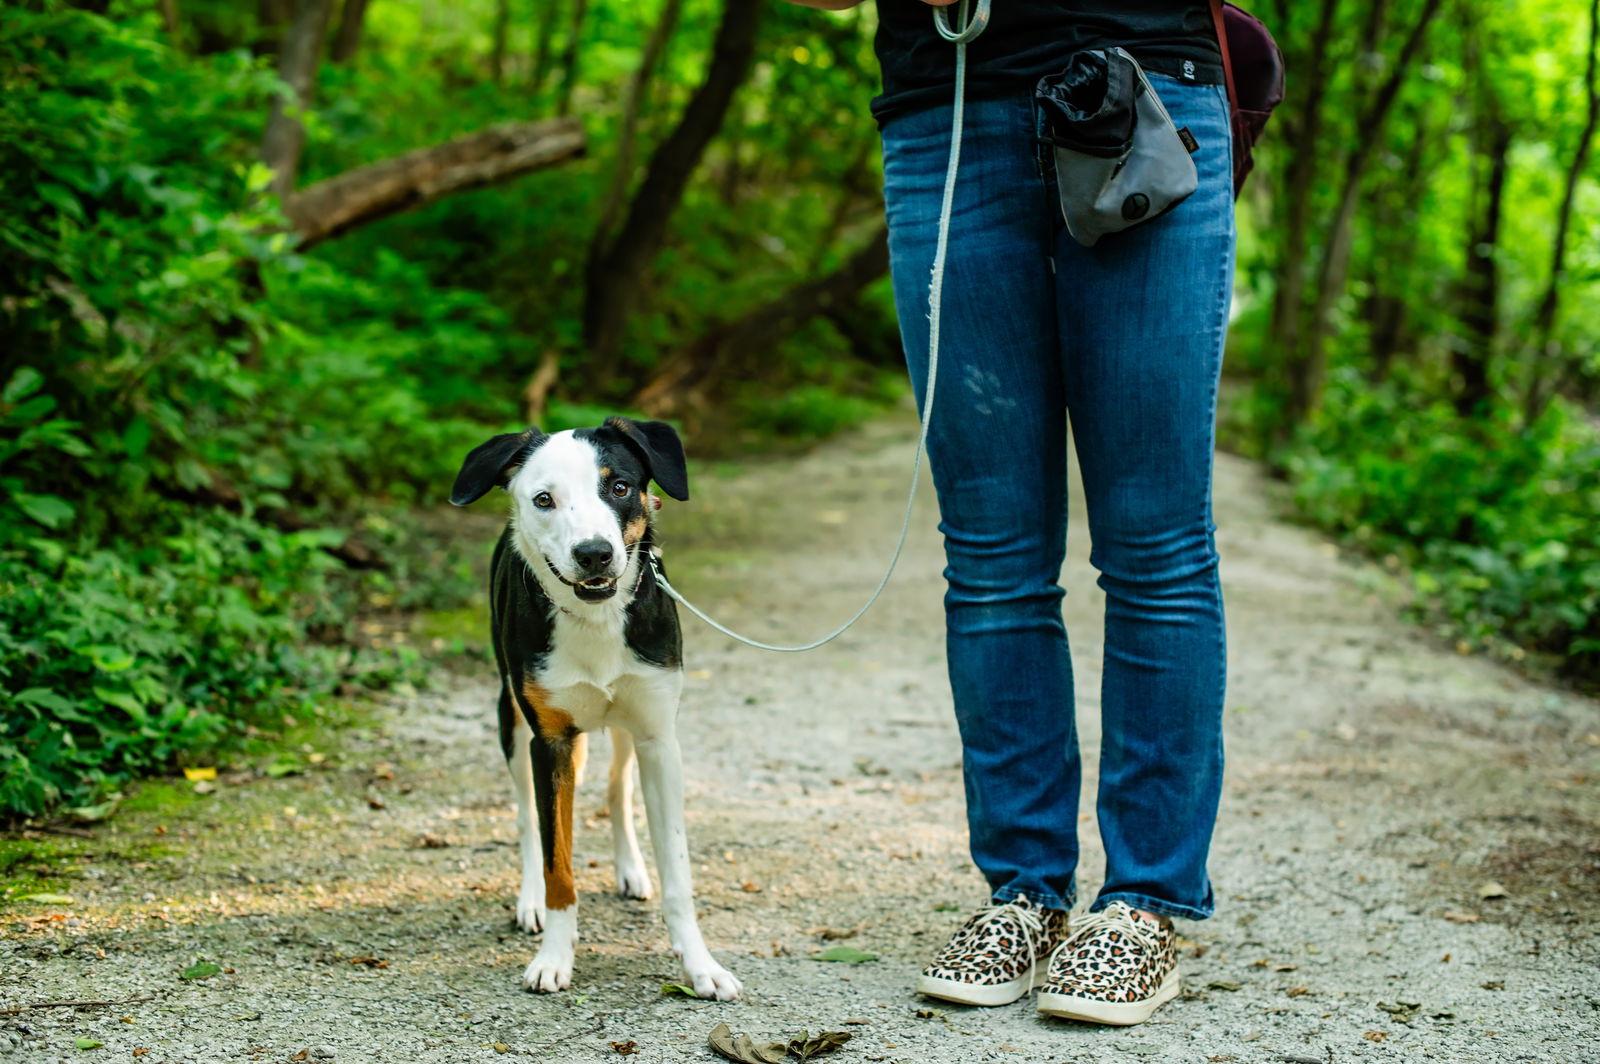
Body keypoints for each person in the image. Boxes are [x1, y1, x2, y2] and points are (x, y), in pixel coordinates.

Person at [788, 0, 1234, 1027]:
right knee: (990, 552)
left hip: (1145, 88)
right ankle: (1022, 892)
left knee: (1156, 543)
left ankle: (1142, 904)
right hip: (942, 117)